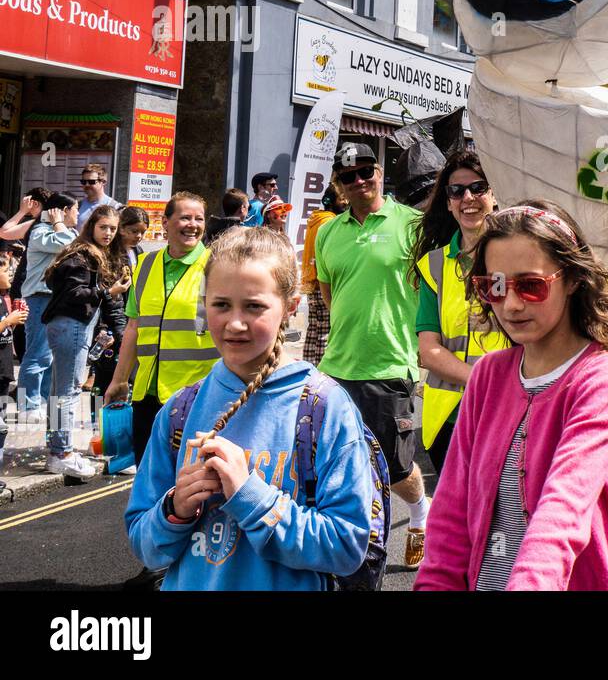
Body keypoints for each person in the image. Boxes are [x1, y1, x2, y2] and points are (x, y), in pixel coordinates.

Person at [416, 202, 608, 590]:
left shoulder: (602, 376)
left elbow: (562, 513)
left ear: (574, 279)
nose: (510, 304)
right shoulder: (488, 376)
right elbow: (450, 516)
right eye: (493, 286)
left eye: (531, 285)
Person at [124, 228, 375, 590]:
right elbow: (146, 546)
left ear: (290, 305)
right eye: (221, 304)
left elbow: (347, 546)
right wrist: (174, 510)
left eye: (254, 306)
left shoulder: (324, 408)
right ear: (204, 300)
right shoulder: (180, 409)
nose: (235, 323)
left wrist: (249, 496)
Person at [313, 142, 429, 569]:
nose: (360, 181)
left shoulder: (411, 223)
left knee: (396, 469)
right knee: (337, 464)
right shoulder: (328, 232)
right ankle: (359, 538)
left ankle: (420, 512)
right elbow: (328, 294)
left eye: (366, 171)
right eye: (348, 176)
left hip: (390, 364)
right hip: (335, 368)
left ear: (380, 172)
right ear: (338, 185)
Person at [410, 149, 510, 475]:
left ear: (495, 195)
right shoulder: (434, 265)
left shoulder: (517, 258)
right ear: (449, 203)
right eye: (457, 191)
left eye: (478, 188)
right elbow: (428, 351)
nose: (468, 197)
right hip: (448, 420)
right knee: (456, 522)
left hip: (506, 412)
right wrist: (480, 382)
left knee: (504, 518)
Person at [106, 193, 219, 465]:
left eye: (199, 218)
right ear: (165, 223)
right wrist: (120, 380)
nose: (193, 224)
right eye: (185, 217)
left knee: (192, 482)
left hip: (197, 395)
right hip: (148, 393)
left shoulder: (216, 266)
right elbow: (134, 326)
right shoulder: (145, 265)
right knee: (147, 478)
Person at [40, 205, 131, 478]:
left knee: (59, 392)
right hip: (73, 326)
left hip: (66, 326)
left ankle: (57, 449)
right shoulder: (84, 255)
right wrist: (108, 291)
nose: (108, 233)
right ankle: (62, 453)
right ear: (92, 225)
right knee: (67, 392)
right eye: (103, 227)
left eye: (113, 229)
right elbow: (75, 292)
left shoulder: (84, 252)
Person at [16, 192, 78, 412]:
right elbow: (68, 245)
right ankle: (28, 406)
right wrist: (59, 223)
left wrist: (62, 225)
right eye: (75, 209)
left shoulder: (67, 231)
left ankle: (42, 400)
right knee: (37, 354)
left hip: (58, 299)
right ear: (61, 211)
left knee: (52, 356)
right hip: (40, 299)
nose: (78, 215)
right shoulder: (41, 232)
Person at [300, 183, 346, 367]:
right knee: (325, 332)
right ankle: (320, 372)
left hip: (311, 281)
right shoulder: (329, 222)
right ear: (331, 201)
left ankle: (309, 368)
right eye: (342, 199)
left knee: (314, 330)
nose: (345, 203)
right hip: (323, 282)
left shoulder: (315, 219)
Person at [0, 252, 28, 467]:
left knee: (1, 427)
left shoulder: (3, 298)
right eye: (5, 269)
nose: (10, 272)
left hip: (4, 373)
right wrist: (7, 321)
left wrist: (14, 321)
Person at [76, 163, 119, 229]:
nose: (87, 185)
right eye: (84, 182)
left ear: (103, 182)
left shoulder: (115, 207)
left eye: (91, 182)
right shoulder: (77, 206)